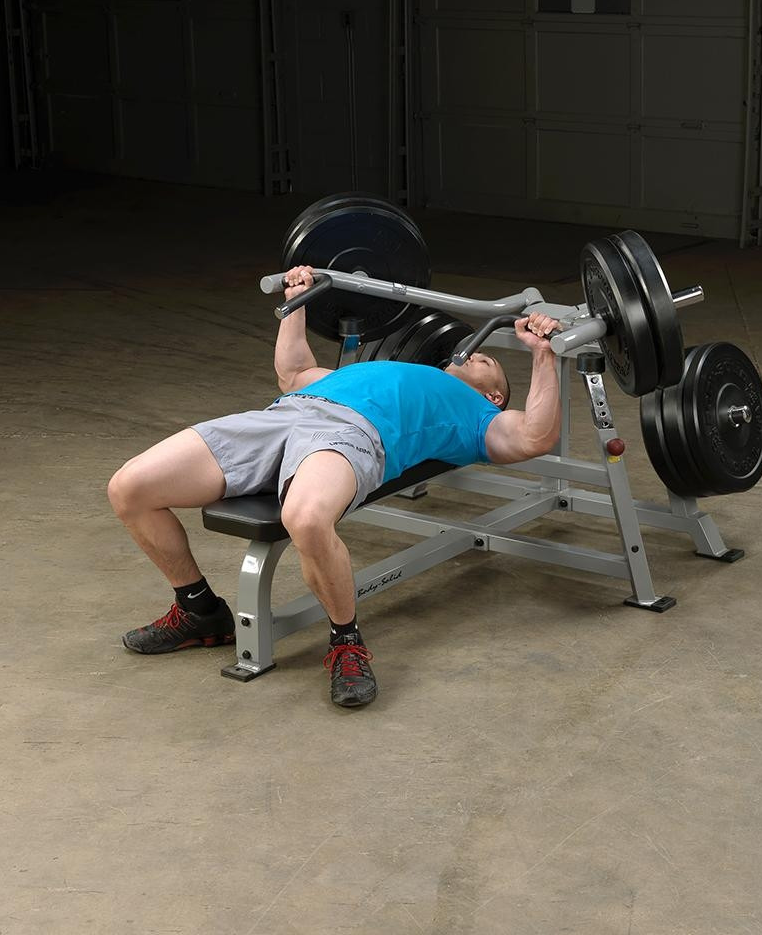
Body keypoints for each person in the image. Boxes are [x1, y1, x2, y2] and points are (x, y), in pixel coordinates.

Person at [107, 266, 562, 708]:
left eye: (486, 360)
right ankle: (200, 611)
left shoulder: (477, 414)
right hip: (282, 415)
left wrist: (543, 353)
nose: (471, 354)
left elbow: (535, 436)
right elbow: (294, 373)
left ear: (494, 395)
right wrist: (297, 303)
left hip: (350, 433)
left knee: (305, 519)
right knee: (130, 487)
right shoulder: (378, 370)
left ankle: (347, 642)